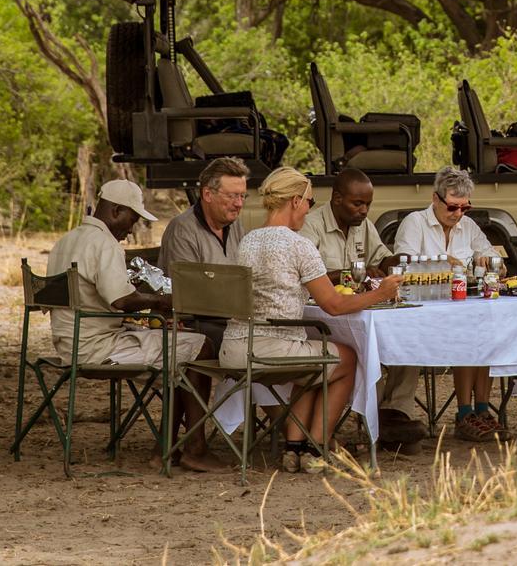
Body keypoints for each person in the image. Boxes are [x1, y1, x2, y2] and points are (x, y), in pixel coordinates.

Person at [221, 166, 401, 473]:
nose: (310, 209)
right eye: (309, 201)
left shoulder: (248, 240)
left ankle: (295, 449)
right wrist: (380, 294)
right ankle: (316, 445)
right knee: (345, 358)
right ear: (294, 201)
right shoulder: (298, 245)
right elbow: (332, 304)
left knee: (317, 357)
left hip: (234, 347)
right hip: (268, 350)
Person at [47, 179, 225, 472]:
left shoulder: (67, 240)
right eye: (133, 219)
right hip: (97, 347)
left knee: (177, 349)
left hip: (69, 340)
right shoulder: (103, 243)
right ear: (116, 210)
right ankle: (195, 448)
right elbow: (122, 301)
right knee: (199, 345)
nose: (131, 229)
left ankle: (165, 447)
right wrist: (161, 301)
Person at [300, 168, 428, 452]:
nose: (363, 210)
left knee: (407, 337)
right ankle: (375, 420)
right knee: (367, 345)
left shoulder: (363, 224)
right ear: (336, 199)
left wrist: (405, 259)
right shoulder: (311, 225)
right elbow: (306, 276)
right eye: (357, 204)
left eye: (368, 204)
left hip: (362, 307)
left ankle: (394, 414)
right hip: (324, 314)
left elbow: (381, 259)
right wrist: (350, 274)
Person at [393, 165, 505, 442]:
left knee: (487, 330)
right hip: (422, 314)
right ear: (435, 199)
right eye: (453, 208)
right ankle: (464, 412)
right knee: (470, 332)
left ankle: (480, 409)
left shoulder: (467, 226)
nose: (458, 215)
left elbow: (497, 262)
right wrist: (444, 264)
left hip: (461, 308)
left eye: (464, 208)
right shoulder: (415, 223)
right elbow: (401, 266)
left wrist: (490, 262)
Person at [157, 157, 249, 351]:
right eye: (232, 196)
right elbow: (187, 296)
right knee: (256, 345)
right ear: (207, 194)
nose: (239, 204)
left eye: (242, 196)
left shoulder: (235, 225)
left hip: (232, 320)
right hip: (196, 323)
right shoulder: (183, 229)